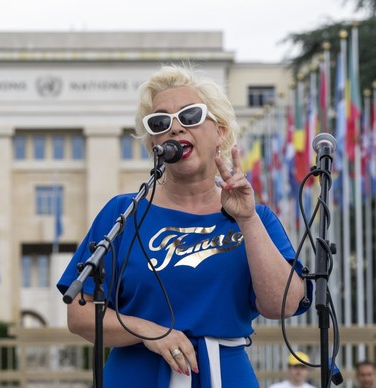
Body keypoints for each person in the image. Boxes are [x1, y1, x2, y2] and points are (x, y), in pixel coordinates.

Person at [56, 64, 310, 387]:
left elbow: (283, 304)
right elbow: (79, 313)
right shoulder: (122, 213)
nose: (176, 128)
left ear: (219, 131)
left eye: (190, 116)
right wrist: (148, 330)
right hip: (135, 374)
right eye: (160, 122)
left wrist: (247, 219)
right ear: (153, 143)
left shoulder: (255, 217)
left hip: (224, 374)